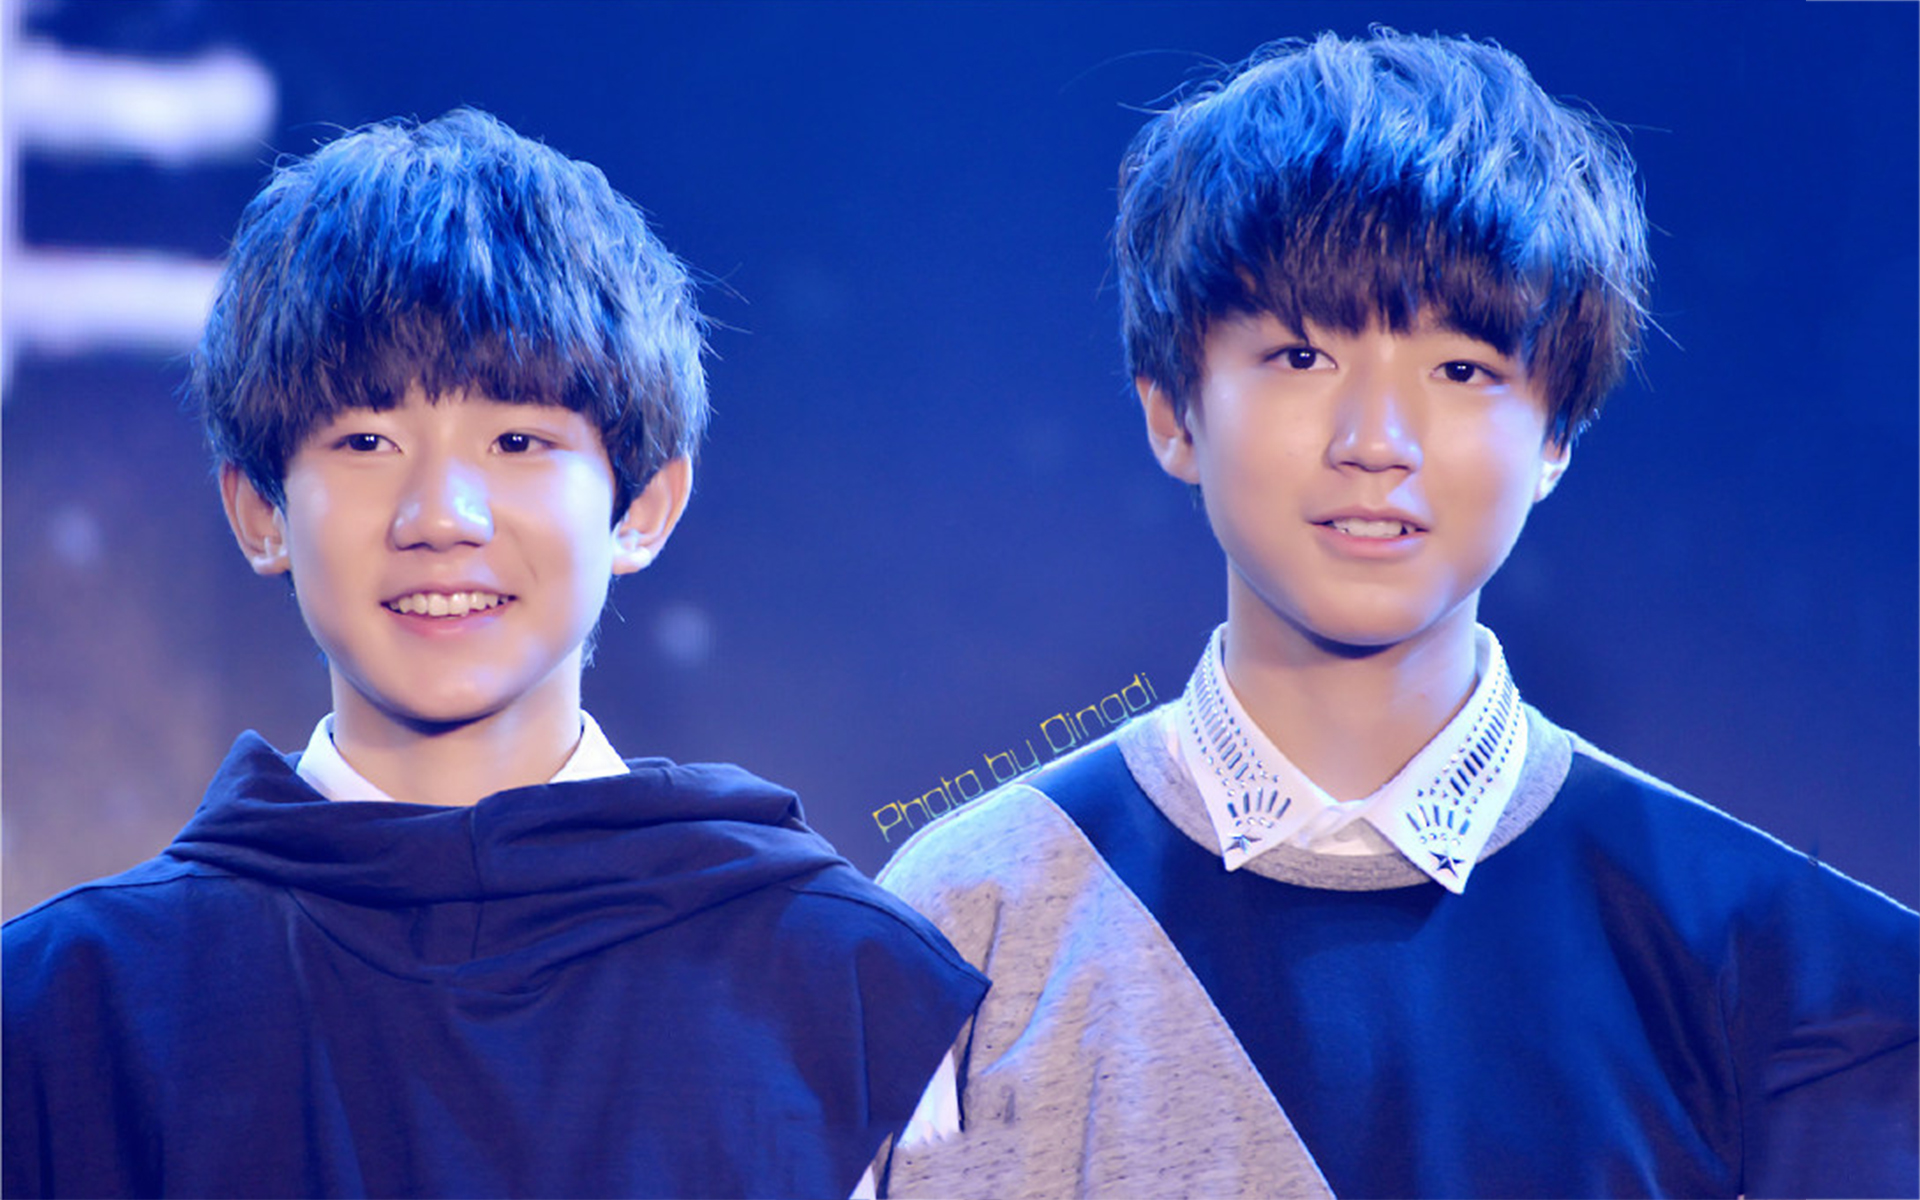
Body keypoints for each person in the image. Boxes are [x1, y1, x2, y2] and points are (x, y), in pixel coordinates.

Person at [878, 30, 1917, 1200]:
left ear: (1558, 435)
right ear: (1171, 411)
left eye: (1461, 370)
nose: (1376, 442)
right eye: (1300, 355)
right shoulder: (965, 919)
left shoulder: (1789, 967)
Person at [2, 109, 984, 1200]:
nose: (442, 515)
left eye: (518, 441)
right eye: (366, 441)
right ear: (260, 513)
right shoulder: (61, 1010)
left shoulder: (850, 992)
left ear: (643, 507)